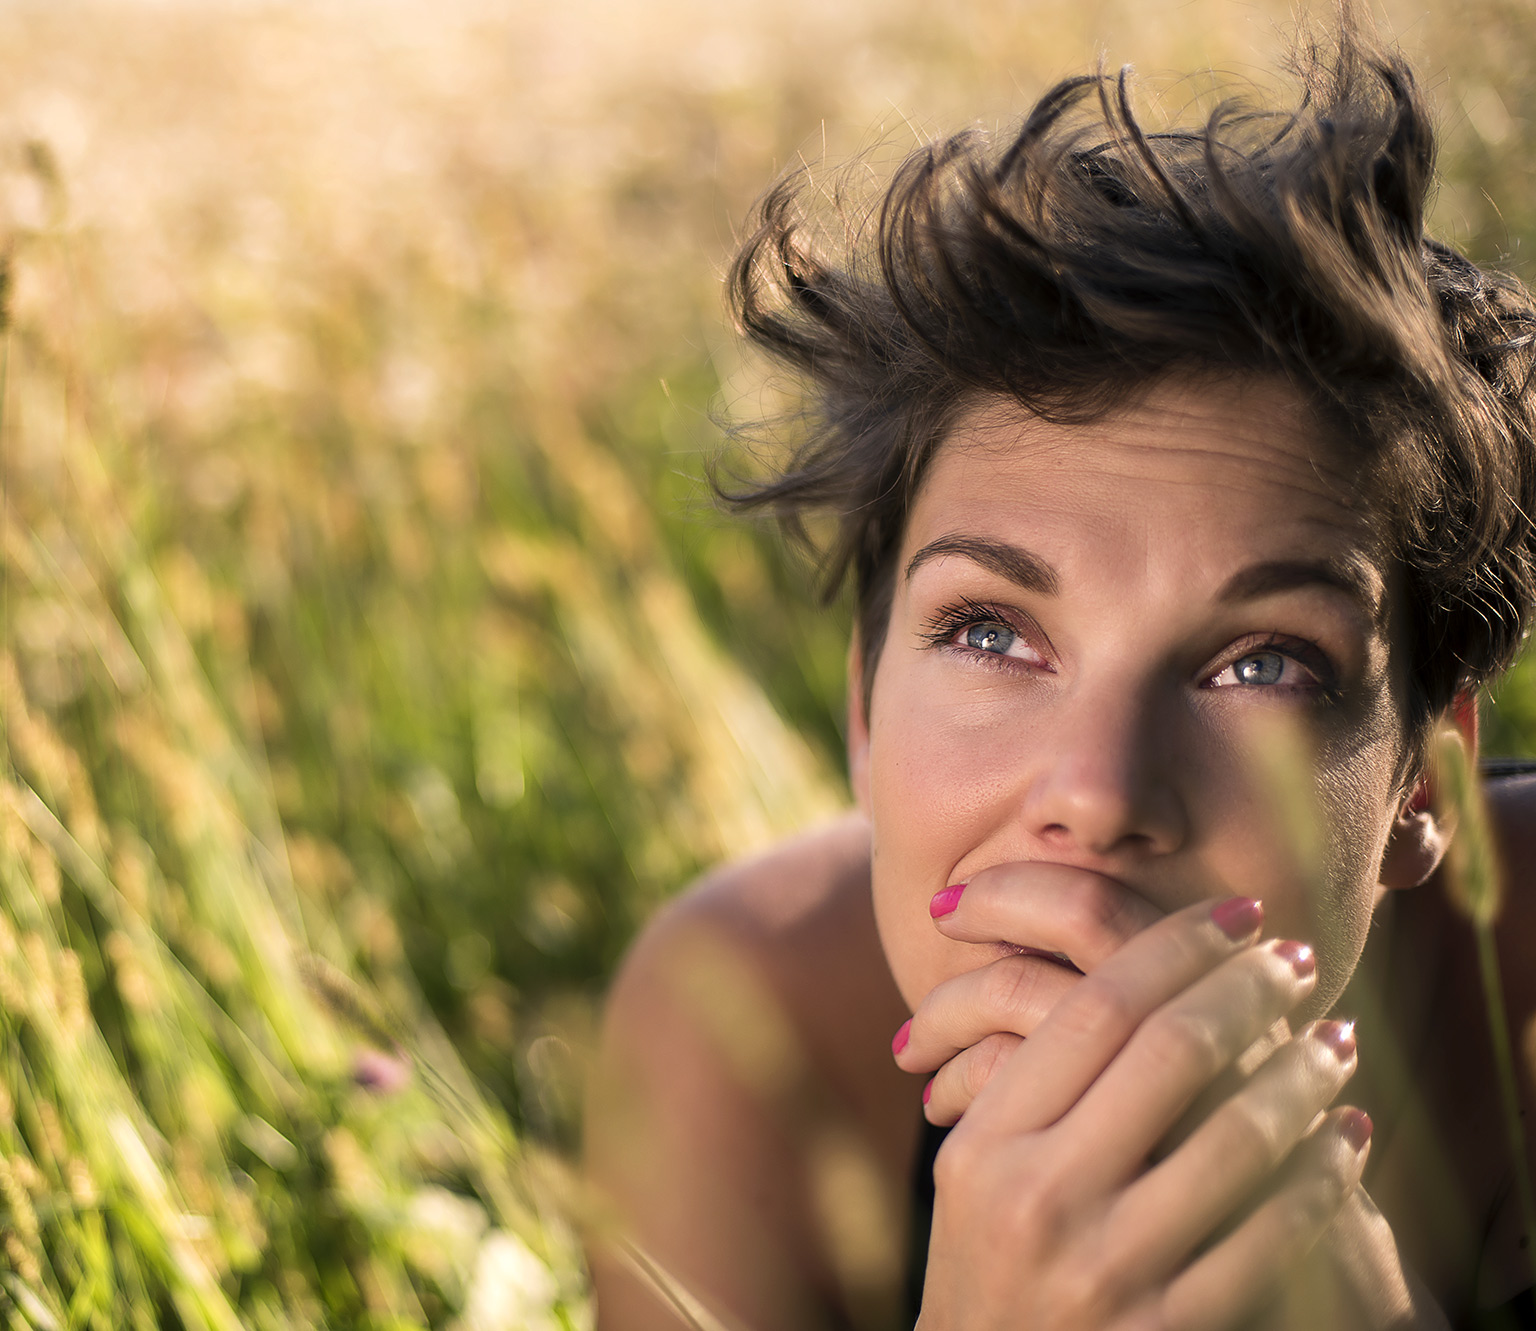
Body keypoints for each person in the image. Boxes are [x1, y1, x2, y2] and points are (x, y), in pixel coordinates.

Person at [583, 15, 1536, 1331]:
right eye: (988, 632)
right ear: (864, 711)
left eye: (1264, 662)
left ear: (1428, 781)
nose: (1096, 793)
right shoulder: (747, 1028)